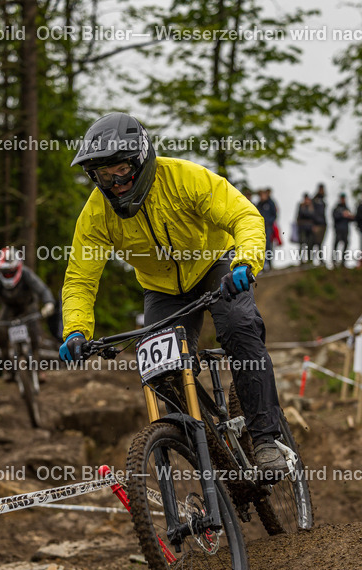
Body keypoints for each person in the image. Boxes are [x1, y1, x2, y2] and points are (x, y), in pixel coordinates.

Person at [61, 111, 288, 475]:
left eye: (121, 170)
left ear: (140, 160)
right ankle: (209, 452)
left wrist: (245, 262)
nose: (115, 183)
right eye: (104, 175)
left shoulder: (185, 178)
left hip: (216, 265)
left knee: (239, 325)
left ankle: (265, 440)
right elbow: (80, 279)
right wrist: (75, 330)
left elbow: (244, 216)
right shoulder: (96, 214)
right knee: (161, 371)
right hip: (162, 288)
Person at [0, 247, 55, 378]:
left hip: (28, 306)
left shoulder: (25, 273)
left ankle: (38, 368)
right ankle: (8, 368)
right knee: (0, 332)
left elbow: (42, 288)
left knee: (35, 333)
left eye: (10, 272)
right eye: (5, 273)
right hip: (9, 308)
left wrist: (49, 303)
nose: (8, 275)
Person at [256, 189, 279, 270]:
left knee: (268, 245)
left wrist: (269, 222)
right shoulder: (259, 204)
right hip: (261, 228)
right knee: (262, 246)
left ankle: (269, 264)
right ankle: (263, 265)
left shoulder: (270, 203)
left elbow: (275, 215)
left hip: (268, 227)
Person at [331, 193, 353, 268]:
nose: (343, 200)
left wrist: (350, 216)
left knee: (346, 243)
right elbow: (334, 217)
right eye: (342, 198)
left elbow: (352, 218)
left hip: (345, 229)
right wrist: (342, 215)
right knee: (336, 243)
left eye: (344, 198)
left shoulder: (347, 208)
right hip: (338, 229)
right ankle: (334, 260)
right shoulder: (336, 208)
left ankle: (343, 261)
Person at [311, 184, 328, 265]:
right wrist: (313, 224)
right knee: (315, 242)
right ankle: (311, 260)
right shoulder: (314, 200)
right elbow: (313, 213)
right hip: (316, 224)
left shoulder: (323, 201)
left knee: (320, 243)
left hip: (323, 224)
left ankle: (320, 260)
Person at [296, 194, 315, 263]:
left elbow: (313, 216)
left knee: (310, 244)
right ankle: (301, 260)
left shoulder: (311, 207)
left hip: (309, 228)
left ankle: (310, 260)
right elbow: (301, 214)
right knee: (302, 244)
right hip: (302, 228)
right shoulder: (301, 206)